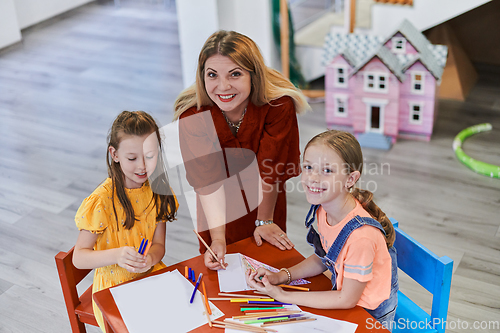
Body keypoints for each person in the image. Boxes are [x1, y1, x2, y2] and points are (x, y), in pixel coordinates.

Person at [174, 30, 310, 270]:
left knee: (267, 271)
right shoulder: (193, 117)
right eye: (212, 75)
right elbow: (208, 183)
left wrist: (264, 220)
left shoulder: (278, 106)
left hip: (265, 205)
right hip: (216, 212)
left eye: (235, 74)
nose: (222, 86)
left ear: (253, 76)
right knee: (221, 279)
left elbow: (271, 170)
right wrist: (217, 238)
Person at [246, 130, 399, 331]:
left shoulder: (361, 237)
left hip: (369, 316)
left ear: (350, 178)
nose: (313, 178)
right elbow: (324, 257)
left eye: (327, 170)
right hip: (343, 297)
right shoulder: (324, 208)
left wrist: (284, 295)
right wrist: (281, 276)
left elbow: (347, 299)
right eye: (308, 167)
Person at [72, 111, 177, 332]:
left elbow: (159, 246)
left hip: (150, 275)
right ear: (115, 154)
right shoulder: (101, 202)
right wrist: (117, 255)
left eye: (150, 156)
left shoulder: (157, 191)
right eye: (132, 158)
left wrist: (150, 258)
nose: (143, 167)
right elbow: (79, 258)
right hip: (112, 289)